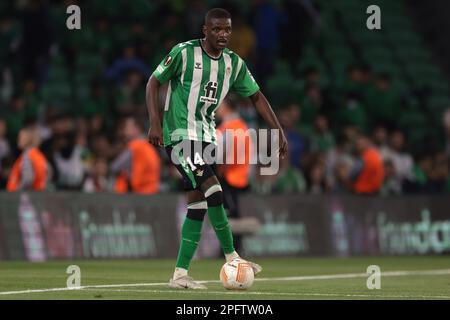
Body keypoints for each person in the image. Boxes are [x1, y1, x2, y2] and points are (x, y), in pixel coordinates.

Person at [146, 8, 288, 289]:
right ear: (205, 30)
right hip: (179, 136)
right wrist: (155, 123)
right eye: (217, 29)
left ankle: (180, 275)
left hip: (206, 138)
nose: (223, 35)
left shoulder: (234, 64)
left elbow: (257, 97)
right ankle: (233, 256)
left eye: (227, 30)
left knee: (198, 205)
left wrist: (277, 128)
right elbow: (153, 82)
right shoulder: (184, 53)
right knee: (214, 189)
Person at [111, 116, 160, 194]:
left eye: (127, 127)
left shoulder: (135, 145)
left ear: (137, 128)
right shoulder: (149, 146)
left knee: (121, 178)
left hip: (140, 192)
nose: (125, 131)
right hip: (152, 189)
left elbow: (115, 167)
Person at [7, 124, 48, 191]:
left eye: (21, 137)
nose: (18, 140)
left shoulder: (27, 155)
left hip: (23, 197)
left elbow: (28, 178)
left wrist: (17, 192)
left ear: (29, 138)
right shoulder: (38, 154)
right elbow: (48, 172)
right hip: (38, 194)